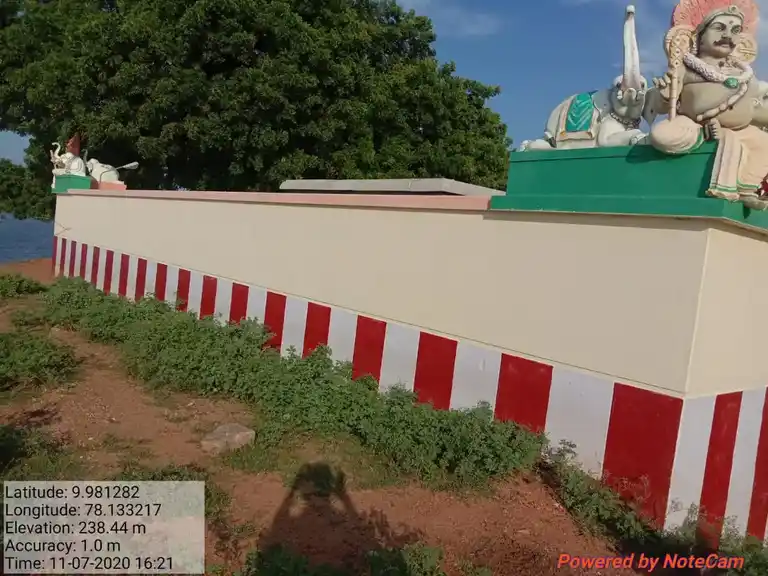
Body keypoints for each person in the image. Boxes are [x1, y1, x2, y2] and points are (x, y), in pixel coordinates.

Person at [650, 0, 768, 209]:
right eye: (719, 28)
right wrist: (665, 94)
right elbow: (661, 105)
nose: (727, 36)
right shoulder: (686, 69)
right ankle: (704, 136)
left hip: (741, 128)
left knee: (762, 143)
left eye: (735, 31)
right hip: (693, 123)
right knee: (664, 135)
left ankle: (747, 189)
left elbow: (756, 109)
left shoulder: (744, 73)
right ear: (699, 37)